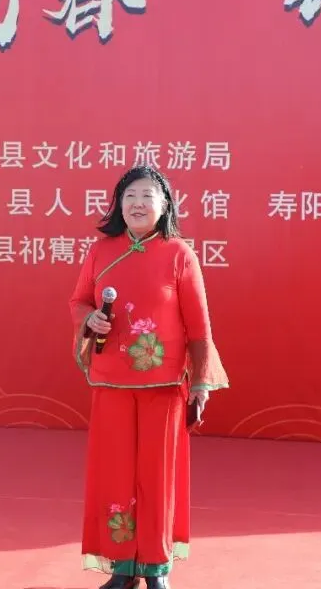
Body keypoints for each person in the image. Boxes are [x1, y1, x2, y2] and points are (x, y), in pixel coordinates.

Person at [69, 165, 230, 589]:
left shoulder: (179, 254)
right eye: (129, 196)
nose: (137, 204)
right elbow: (79, 301)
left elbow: (199, 326)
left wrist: (200, 383)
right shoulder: (100, 251)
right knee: (115, 474)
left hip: (164, 384)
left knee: (157, 477)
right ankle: (122, 568)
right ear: (118, 205)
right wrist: (91, 321)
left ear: (165, 205)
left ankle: (156, 567)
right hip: (111, 381)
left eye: (147, 196)